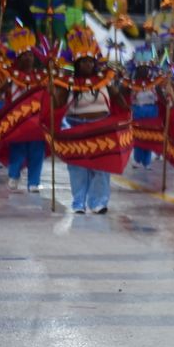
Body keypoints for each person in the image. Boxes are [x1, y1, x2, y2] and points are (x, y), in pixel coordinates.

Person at [51, 26, 129, 214]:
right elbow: (56, 104)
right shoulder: (68, 82)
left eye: (90, 61)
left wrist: (121, 90)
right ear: (76, 64)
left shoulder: (105, 80)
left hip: (102, 127)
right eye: (83, 61)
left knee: (101, 165)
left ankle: (98, 202)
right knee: (77, 166)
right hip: (75, 128)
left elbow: (121, 102)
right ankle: (78, 202)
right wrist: (52, 84)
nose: (88, 65)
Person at [0, 24, 49, 193]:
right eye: (24, 55)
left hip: (37, 122)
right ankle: (14, 175)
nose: (28, 58)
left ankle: (34, 182)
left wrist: (51, 68)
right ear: (17, 59)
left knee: (37, 151)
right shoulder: (10, 76)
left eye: (30, 54)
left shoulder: (41, 76)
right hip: (17, 121)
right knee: (18, 150)